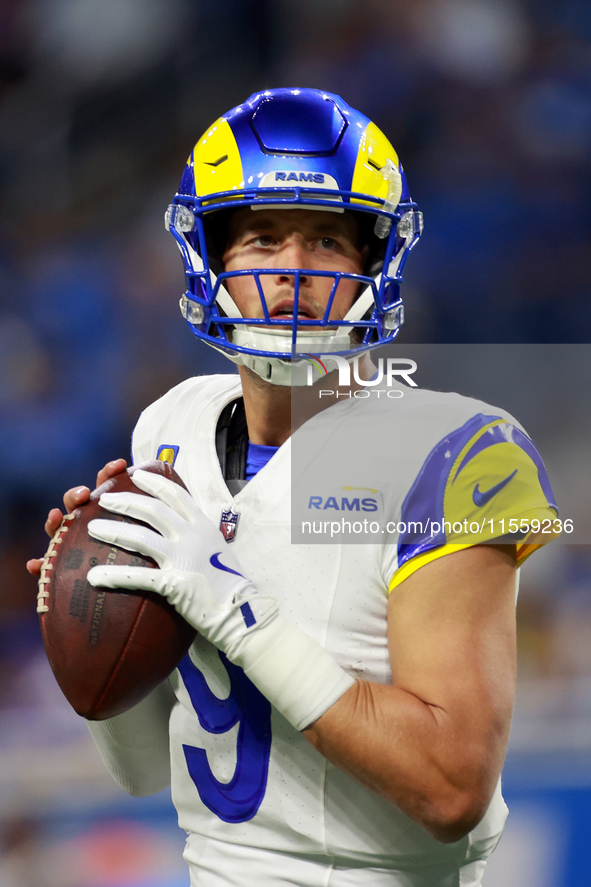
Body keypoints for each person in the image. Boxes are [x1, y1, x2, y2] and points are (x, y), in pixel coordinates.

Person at [28, 88, 560, 886]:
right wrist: (90, 619)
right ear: (211, 257)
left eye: (325, 240)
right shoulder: (169, 427)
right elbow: (143, 771)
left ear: (374, 261)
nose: (294, 270)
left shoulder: (458, 452)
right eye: (262, 238)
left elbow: (451, 788)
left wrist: (233, 607)